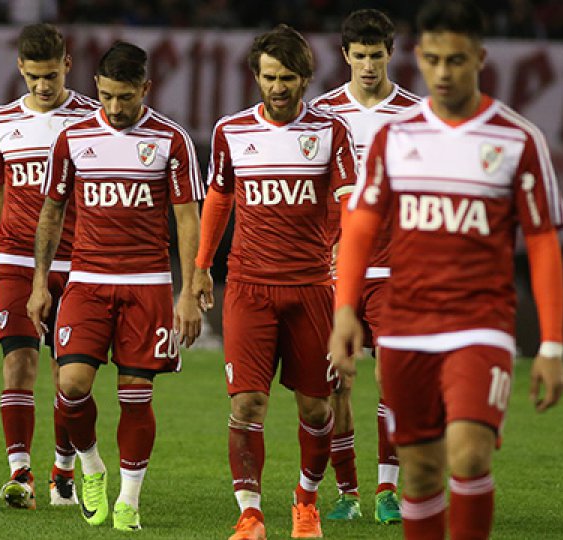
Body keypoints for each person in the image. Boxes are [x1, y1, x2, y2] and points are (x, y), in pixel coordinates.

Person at [329, 1, 563, 538]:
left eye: (456, 60)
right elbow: (360, 227)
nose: (443, 72)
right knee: (420, 472)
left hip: (479, 323)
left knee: (469, 454)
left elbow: (544, 242)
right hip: (409, 323)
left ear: (479, 58)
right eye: (433, 60)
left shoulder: (516, 139)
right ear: (419, 57)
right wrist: (345, 308)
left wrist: (551, 345)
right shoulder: (398, 137)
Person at [27, 41, 203, 532]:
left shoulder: (172, 140)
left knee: (136, 395)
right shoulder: (73, 138)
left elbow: (188, 218)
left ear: (145, 89)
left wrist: (189, 289)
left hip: (147, 285)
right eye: (105, 96)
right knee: (71, 385)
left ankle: (128, 499)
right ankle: (92, 467)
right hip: (86, 281)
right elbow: (52, 210)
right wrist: (41, 283)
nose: (114, 108)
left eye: (125, 97)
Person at [192, 24, 358, 539]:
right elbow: (219, 199)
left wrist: (347, 273)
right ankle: (250, 514)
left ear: (306, 78)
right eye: (268, 77)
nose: (278, 87)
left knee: (317, 406)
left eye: (287, 77)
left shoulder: (331, 133)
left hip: (312, 287)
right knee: (247, 403)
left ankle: (305, 501)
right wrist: (201, 266)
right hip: (247, 287)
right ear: (256, 77)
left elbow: (352, 208)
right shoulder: (231, 131)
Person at [0, 23, 98, 509]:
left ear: (67, 65)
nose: (43, 87)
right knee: (18, 364)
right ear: (21, 70)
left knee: (68, 377)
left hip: (78, 262)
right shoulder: (0, 121)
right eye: (33, 78)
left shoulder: (92, 119)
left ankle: (62, 471)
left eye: (50, 76)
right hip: (15, 257)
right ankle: (21, 474)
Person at [310, 8, 420, 524]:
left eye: (377, 56)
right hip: (338, 269)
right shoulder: (323, 115)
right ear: (345, 55)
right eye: (360, 56)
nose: (369, 65)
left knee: (396, 381)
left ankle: (386, 490)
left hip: (399, 267)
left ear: (390, 54)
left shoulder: (418, 115)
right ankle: (348, 493)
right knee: (338, 383)